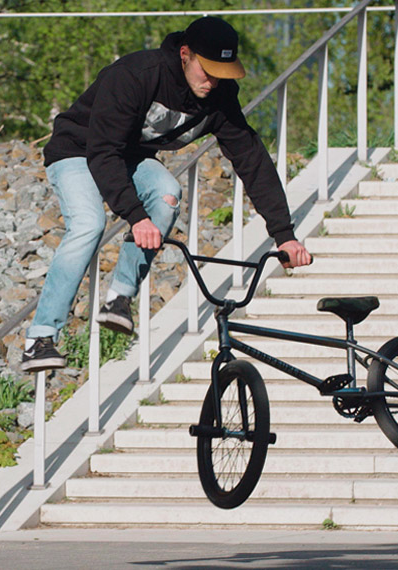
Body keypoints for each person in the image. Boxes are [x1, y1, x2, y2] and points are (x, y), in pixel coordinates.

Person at [21, 16, 312, 372]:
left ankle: (118, 299)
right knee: (89, 224)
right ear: (185, 54)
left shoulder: (220, 97)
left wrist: (285, 235)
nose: (213, 81)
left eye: (221, 73)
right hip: (78, 149)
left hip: (129, 156)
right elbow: (103, 151)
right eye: (207, 71)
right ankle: (40, 337)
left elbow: (251, 160)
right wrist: (134, 214)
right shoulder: (137, 74)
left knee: (168, 193)